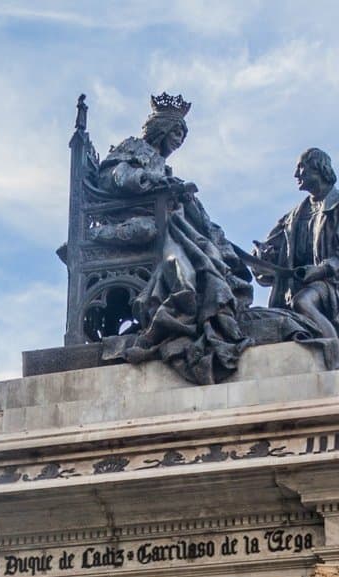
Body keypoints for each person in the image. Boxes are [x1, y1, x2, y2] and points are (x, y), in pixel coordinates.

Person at [93, 93, 254, 384]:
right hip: (134, 219)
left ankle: (213, 289)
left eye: (184, 135)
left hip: (166, 220)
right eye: (177, 132)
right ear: (162, 128)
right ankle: (188, 302)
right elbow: (115, 176)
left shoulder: (160, 162)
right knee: (189, 256)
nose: (180, 140)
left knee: (204, 243)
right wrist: (155, 182)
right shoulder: (133, 147)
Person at [252, 148, 339, 366]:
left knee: (302, 303)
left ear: (319, 168)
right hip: (294, 286)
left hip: (332, 284)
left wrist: (324, 269)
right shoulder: (292, 217)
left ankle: (336, 359)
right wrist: (263, 257)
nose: (296, 174)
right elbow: (268, 258)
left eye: (301, 167)